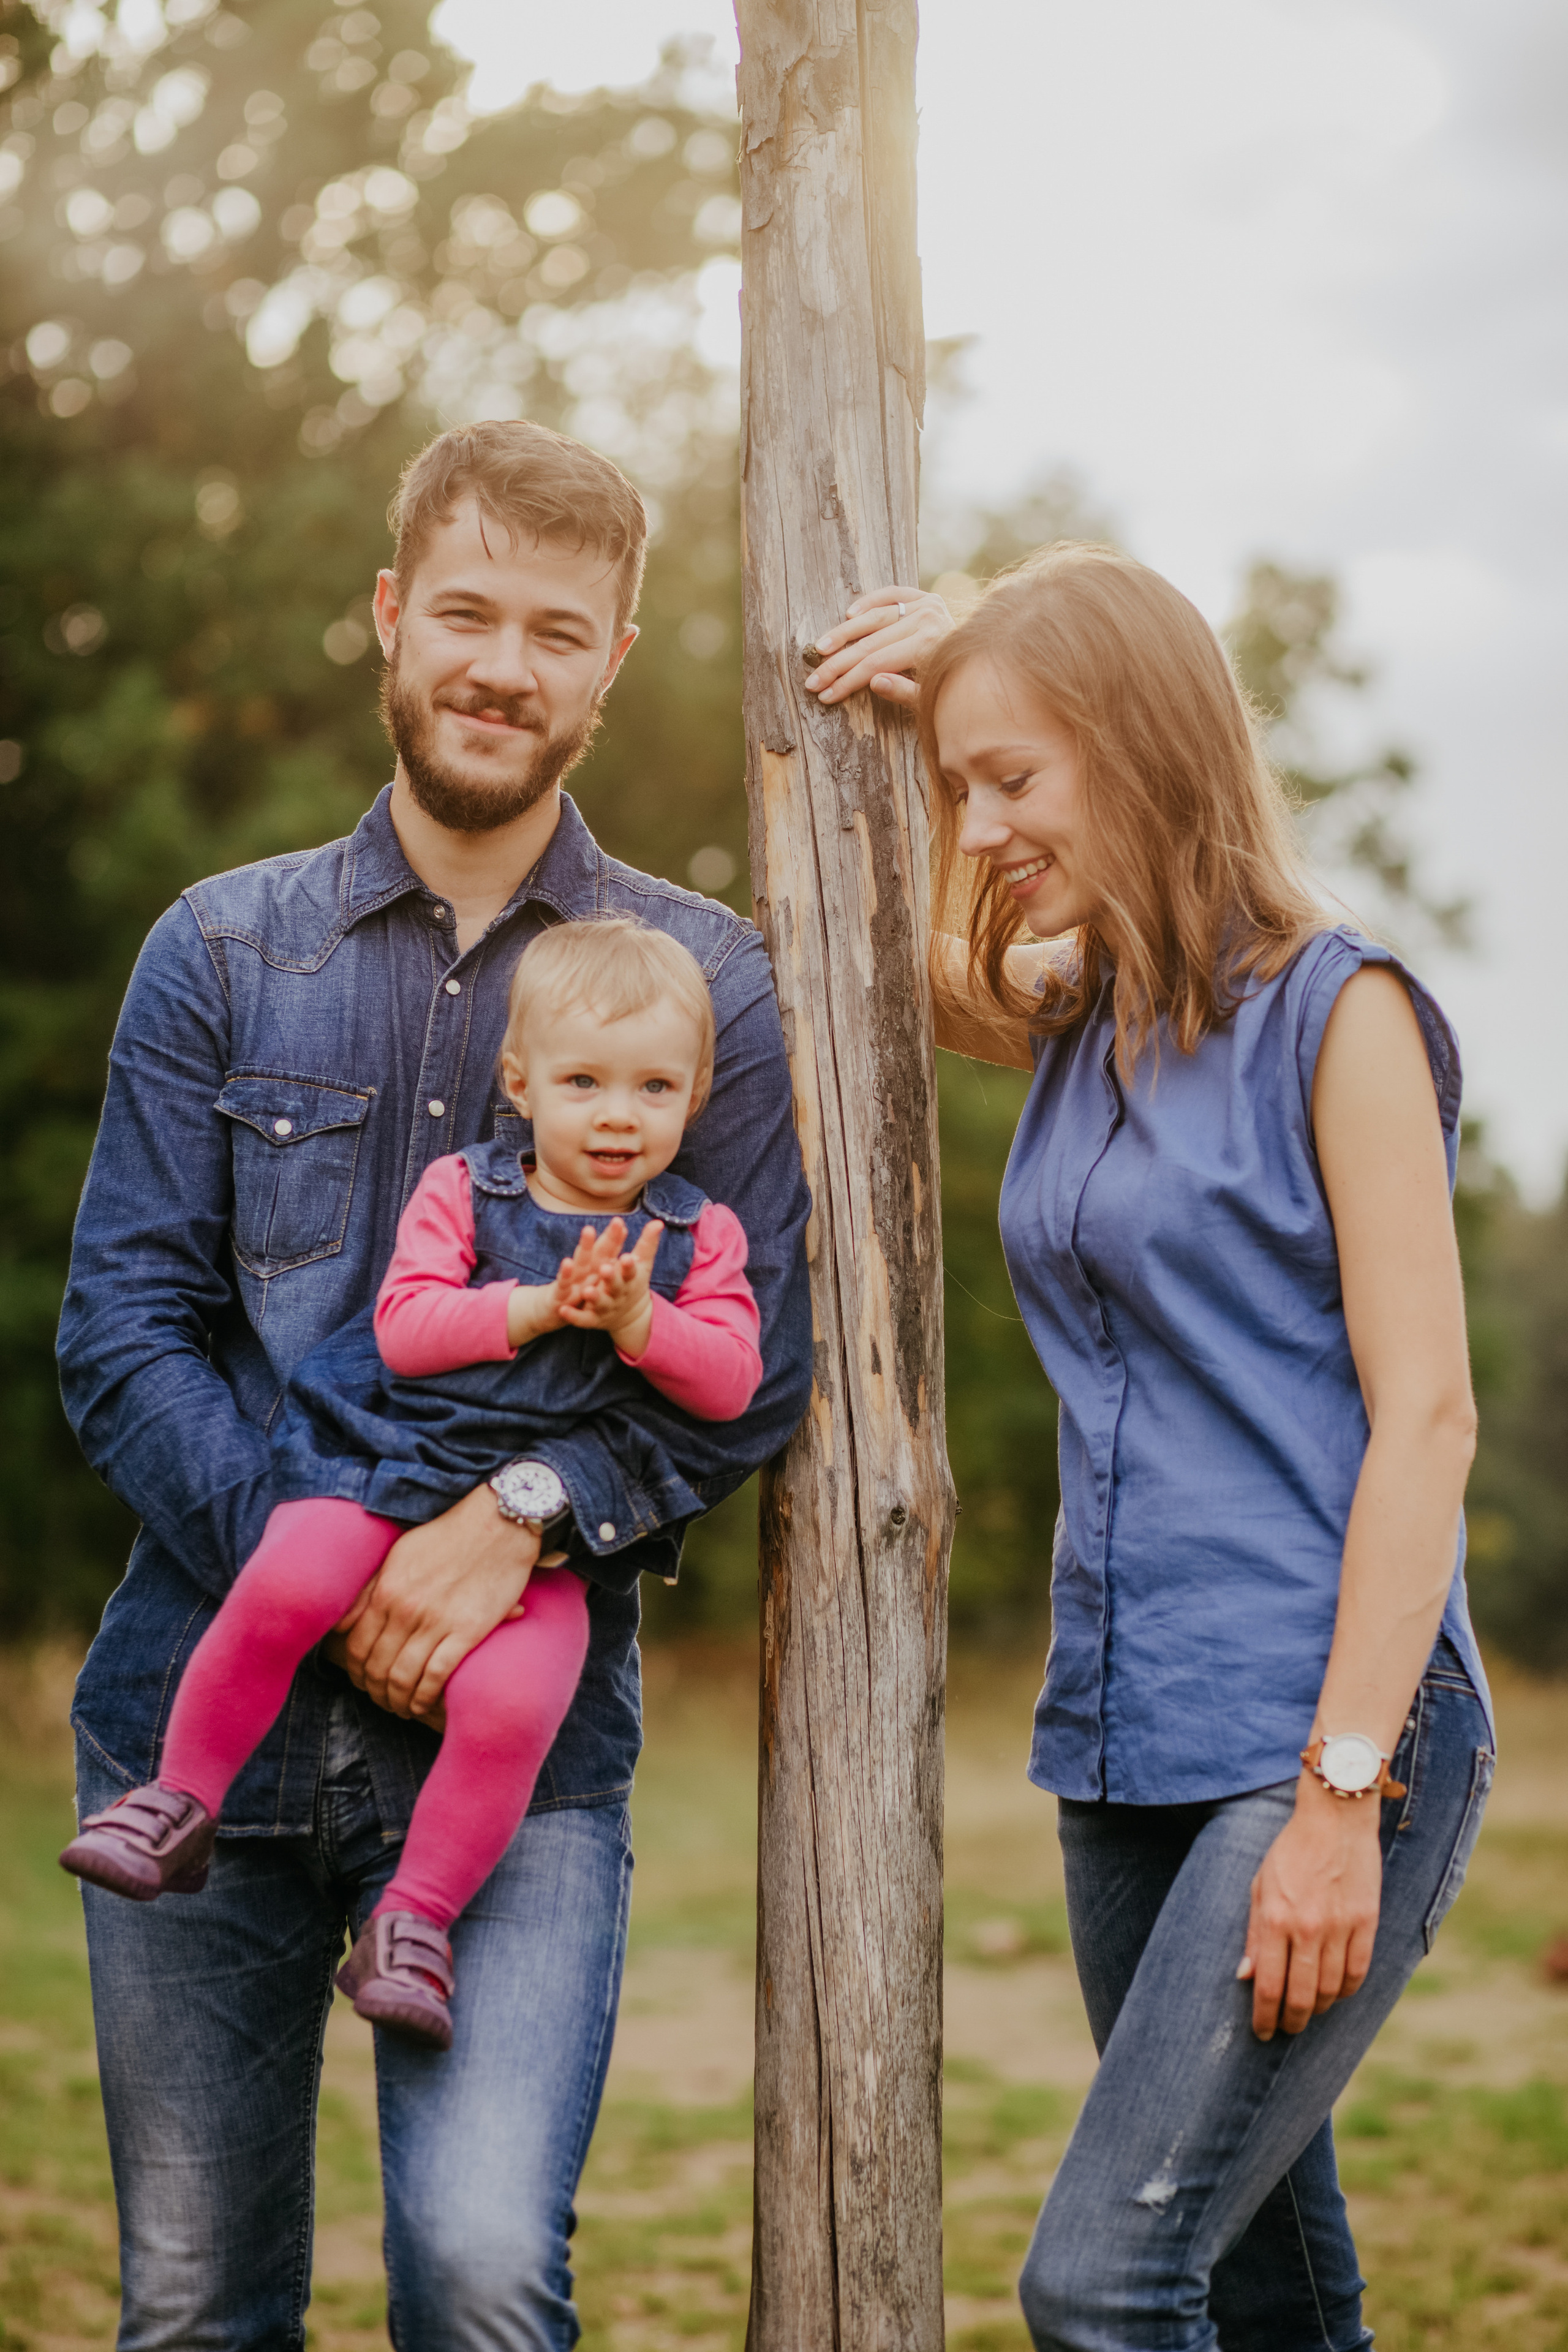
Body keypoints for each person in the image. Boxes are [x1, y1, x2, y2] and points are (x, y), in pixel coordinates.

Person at [58, 419, 812, 2348]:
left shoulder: (709, 985)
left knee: (481, 2279)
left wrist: (523, 1516)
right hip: (200, 1716)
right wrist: (339, 1565)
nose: (502, 665)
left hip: (520, 1754)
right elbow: (124, 1331)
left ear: (611, 662)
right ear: (391, 615)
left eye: (556, 631)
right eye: (467, 612)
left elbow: (753, 1370)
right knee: (194, 2311)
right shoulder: (220, 949)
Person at [807, 547, 1493, 2351]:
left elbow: (1429, 1418)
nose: (977, 830)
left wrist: (1338, 1800)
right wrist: (954, 695)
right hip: (1123, 1732)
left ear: (1139, 744)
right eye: (959, 790)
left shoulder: (1337, 1009)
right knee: (1261, 2288)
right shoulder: (1082, 1004)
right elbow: (902, 972)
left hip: (1325, 1730)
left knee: (1103, 2286)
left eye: (1012, 779)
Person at [61, 917, 764, 2055]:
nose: (618, 1115)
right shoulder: (465, 1189)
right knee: (287, 1582)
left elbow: (733, 1383)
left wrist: (643, 1322)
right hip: (386, 1461)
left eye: (655, 1087)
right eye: (584, 1082)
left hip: (538, 1543)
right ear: (520, 1083)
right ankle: (179, 1802)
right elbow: (405, 1329)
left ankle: (413, 1924)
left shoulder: (697, 1237)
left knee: (518, 1704)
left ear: (696, 1097)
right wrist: (537, 1307)